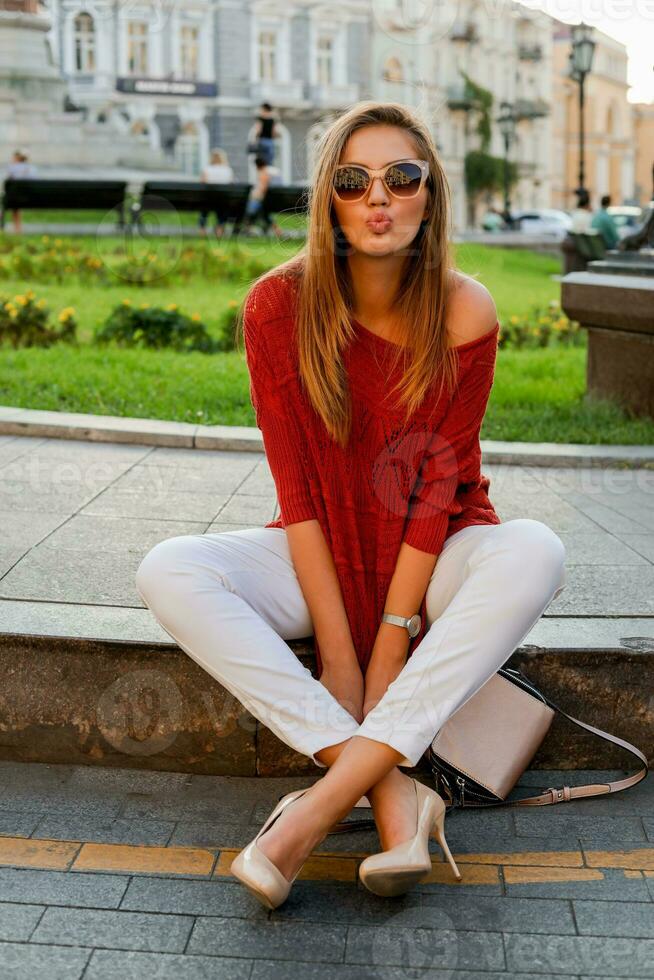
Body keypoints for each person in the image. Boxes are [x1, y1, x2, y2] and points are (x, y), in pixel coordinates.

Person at [135, 101, 566, 909]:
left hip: (433, 554)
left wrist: (391, 645)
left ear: (430, 195)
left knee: (536, 551)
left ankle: (316, 811)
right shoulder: (276, 305)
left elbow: (439, 488)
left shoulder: (466, 309)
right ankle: (395, 795)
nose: (380, 196)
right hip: (319, 550)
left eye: (403, 177)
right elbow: (296, 492)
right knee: (170, 569)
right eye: (352, 179)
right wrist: (339, 653)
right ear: (328, 199)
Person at [198, 148, 234, 239]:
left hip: (208, 199)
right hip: (223, 200)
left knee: (204, 209)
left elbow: (202, 183)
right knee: (222, 208)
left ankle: (202, 229)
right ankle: (219, 228)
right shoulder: (227, 170)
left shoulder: (207, 169)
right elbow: (231, 184)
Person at [242, 156, 281, 237]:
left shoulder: (263, 173)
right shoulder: (271, 171)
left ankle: (247, 228)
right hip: (270, 201)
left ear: (257, 165)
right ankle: (277, 231)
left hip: (263, 200)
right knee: (264, 214)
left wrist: (253, 196)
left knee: (251, 210)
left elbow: (262, 189)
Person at [5, 149, 37, 234]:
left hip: (15, 198)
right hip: (30, 198)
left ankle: (17, 229)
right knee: (16, 204)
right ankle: (18, 229)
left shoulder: (12, 167)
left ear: (17, 158)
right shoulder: (31, 168)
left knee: (14, 204)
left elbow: (8, 182)